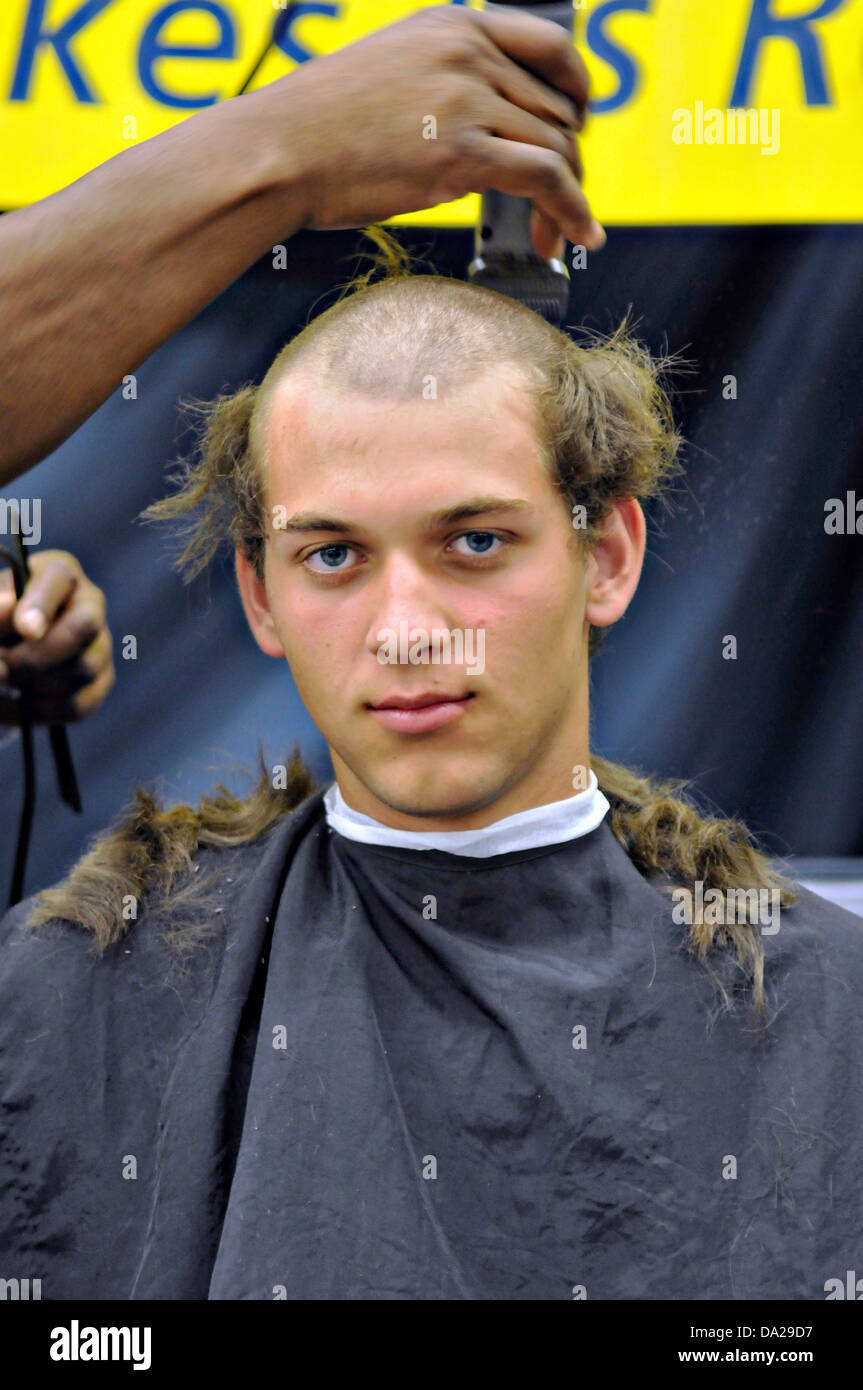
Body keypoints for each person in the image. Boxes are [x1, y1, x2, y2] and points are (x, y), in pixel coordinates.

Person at [1, 8, 860, 1305]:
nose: (407, 627)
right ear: (260, 591)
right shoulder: (78, 986)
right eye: (334, 554)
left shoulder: (820, 1010)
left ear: (609, 556)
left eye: (472, 541)